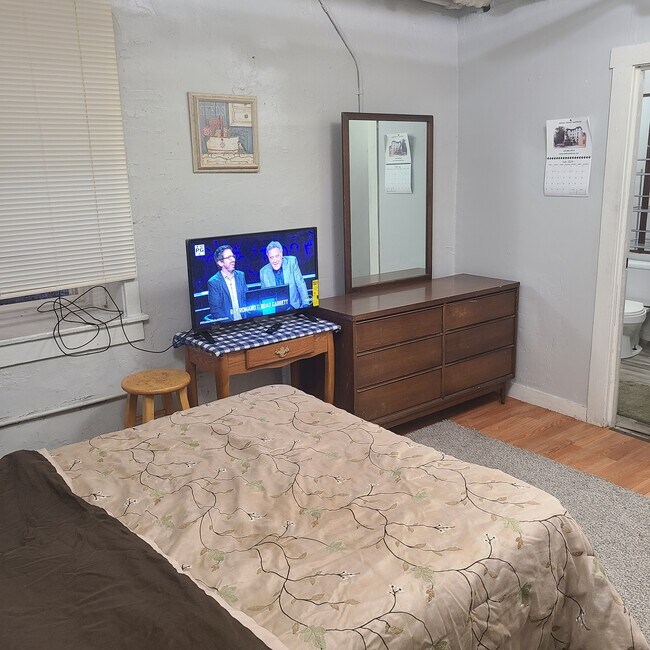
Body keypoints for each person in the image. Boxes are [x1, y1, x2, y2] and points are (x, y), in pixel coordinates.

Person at [259, 241, 310, 310]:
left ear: (281, 254)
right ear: (268, 257)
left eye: (277, 256)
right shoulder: (263, 272)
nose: (275, 260)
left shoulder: (292, 262)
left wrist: (306, 304)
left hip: (295, 309)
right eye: (271, 257)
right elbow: (264, 297)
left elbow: (301, 284)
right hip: (275, 312)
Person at [207, 245, 248, 321]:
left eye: (233, 256)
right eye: (229, 257)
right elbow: (216, 311)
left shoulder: (241, 275)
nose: (233, 260)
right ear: (220, 262)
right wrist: (231, 324)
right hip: (227, 324)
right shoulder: (213, 282)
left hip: (245, 321)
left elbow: (247, 300)